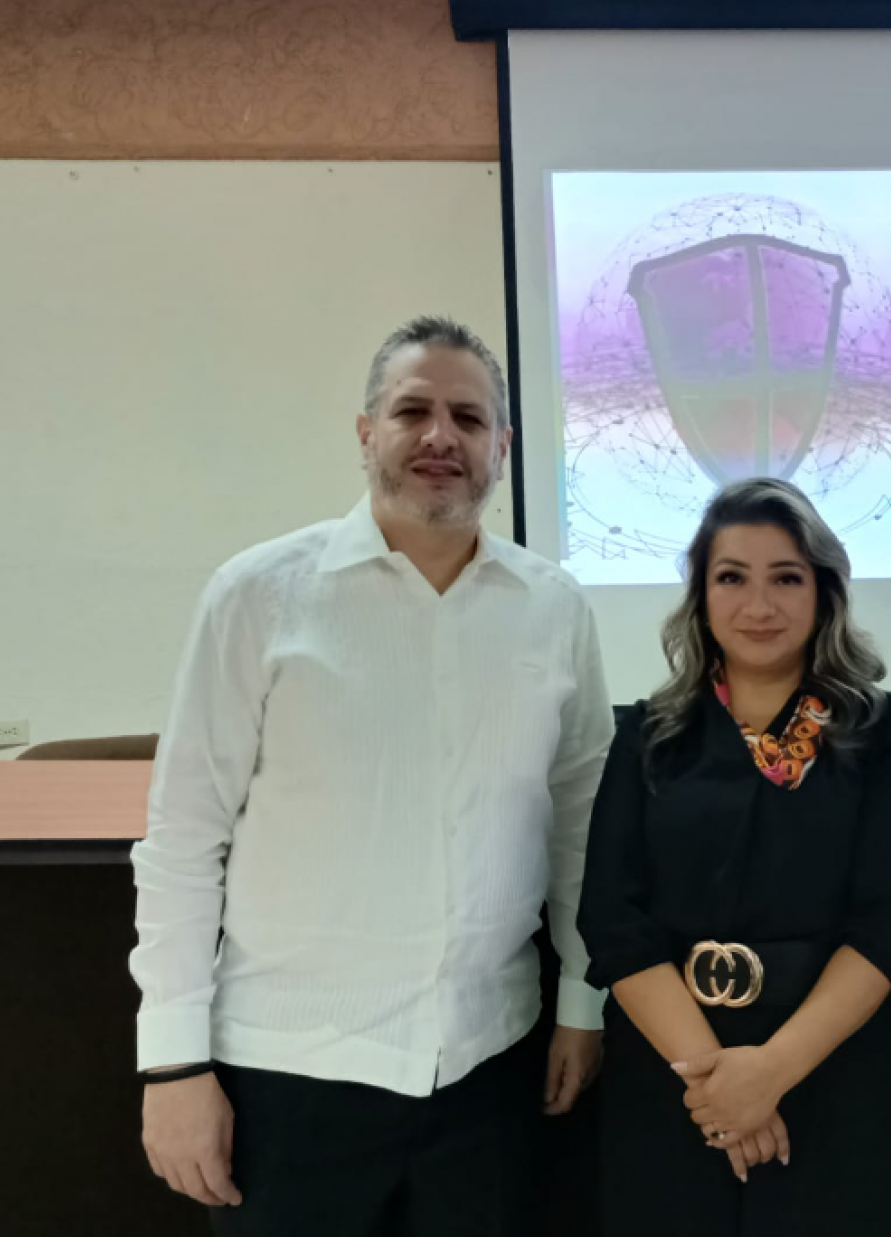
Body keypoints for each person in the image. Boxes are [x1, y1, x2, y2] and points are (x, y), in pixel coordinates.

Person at [129, 315, 615, 1235]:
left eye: (468, 418)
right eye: (412, 412)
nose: (441, 437)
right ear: (366, 433)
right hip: (288, 1073)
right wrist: (174, 1063)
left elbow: (580, 825)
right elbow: (184, 838)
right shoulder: (259, 595)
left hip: (488, 1067)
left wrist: (583, 1003)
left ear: (503, 447)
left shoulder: (553, 610)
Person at [577, 477, 891, 1237]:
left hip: (832, 1073)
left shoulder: (877, 733)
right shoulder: (650, 736)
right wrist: (718, 1090)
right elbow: (614, 920)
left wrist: (770, 1073)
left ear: (823, 592)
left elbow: (890, 925)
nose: (759, 605)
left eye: (786, 578)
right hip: (675, 1079)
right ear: (701, 596)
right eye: (732, 578)